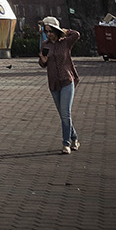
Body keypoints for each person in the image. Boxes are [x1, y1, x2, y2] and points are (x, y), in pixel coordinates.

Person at [38, 17, 81, 153]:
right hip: (54, 83)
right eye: (47, 31)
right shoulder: (45, 45)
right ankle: (74, 138)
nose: (49, 34)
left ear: (56, 31)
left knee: (65, 113)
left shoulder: (65, 43)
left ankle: (66, 144)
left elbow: (76, 34)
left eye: (51, 31)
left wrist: (63, 30)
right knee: (63, 114)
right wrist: (43, 61)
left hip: (67, 81)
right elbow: (42, 64)